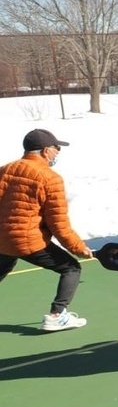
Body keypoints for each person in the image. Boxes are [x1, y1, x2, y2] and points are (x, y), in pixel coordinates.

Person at [0, 128, 93, 331]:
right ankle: (57, 315)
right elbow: (58, 223)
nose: (58, 152)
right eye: (56, 148)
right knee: (71, 268)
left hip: (2, 240)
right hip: (27, 241)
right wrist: (78, 248)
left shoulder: (5, 169)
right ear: (45, 151)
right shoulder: (50, 178)